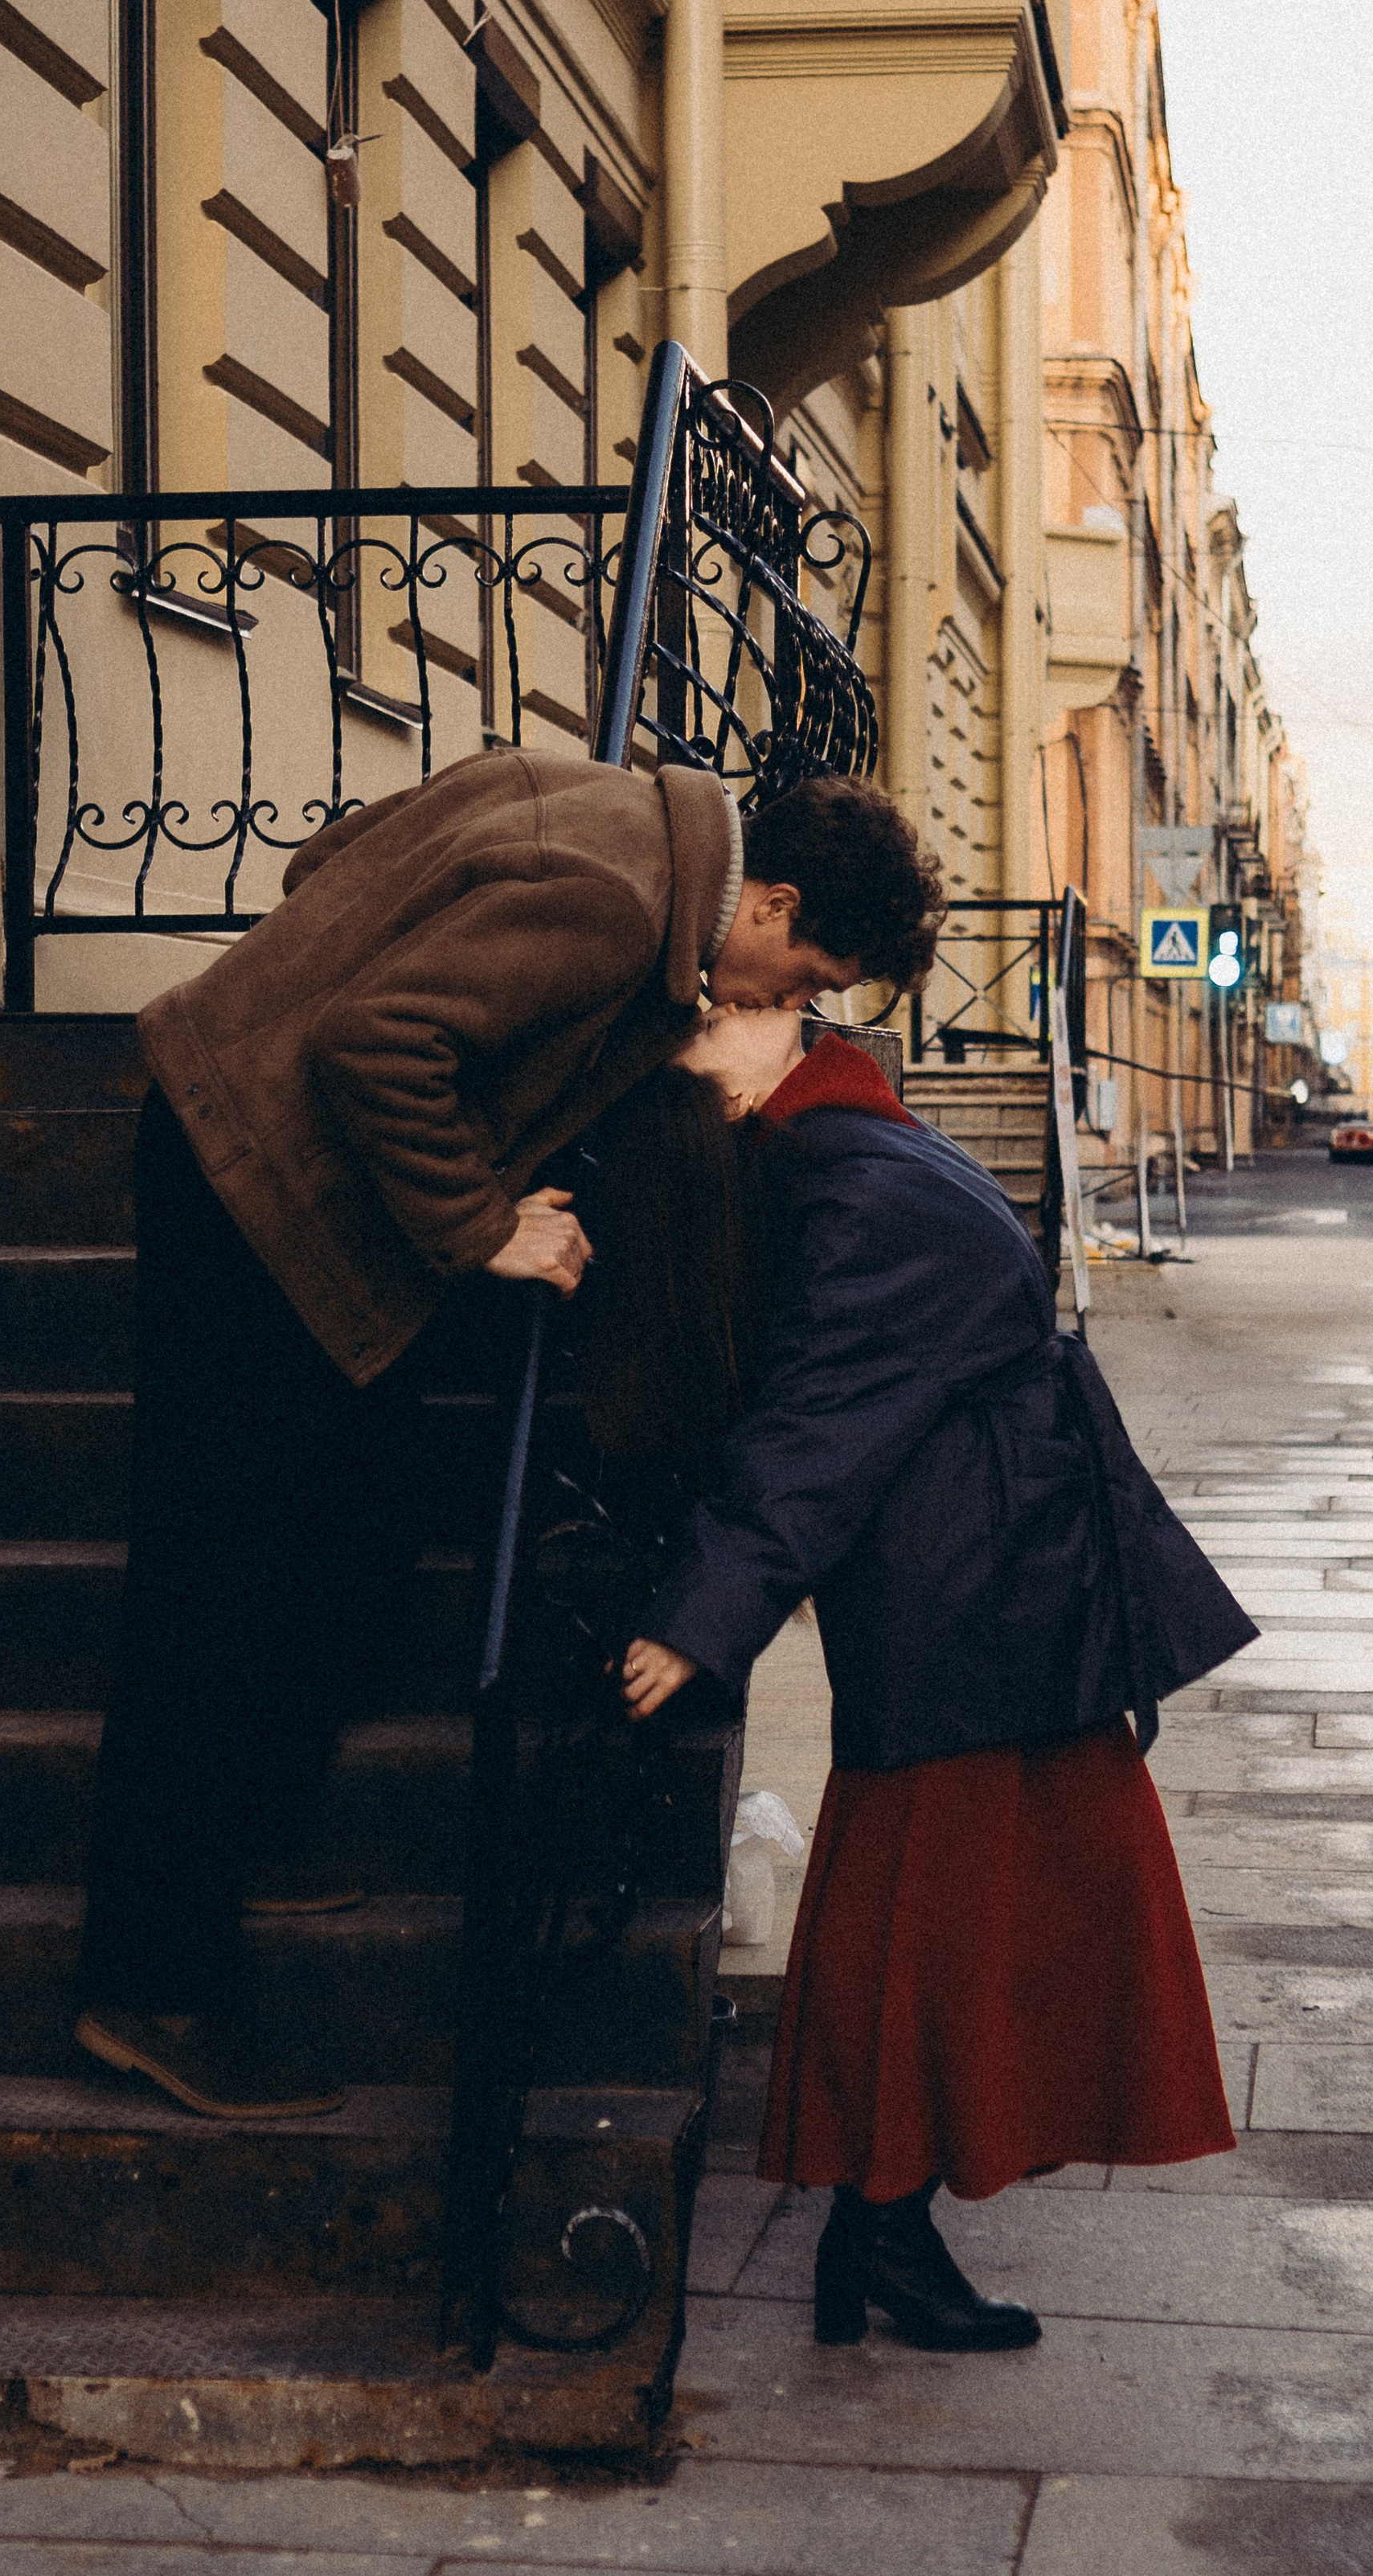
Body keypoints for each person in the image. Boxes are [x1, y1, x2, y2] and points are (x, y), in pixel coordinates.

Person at [74, 749, 945, 2119]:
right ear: (769, 905)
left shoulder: (592, 795)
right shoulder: (612, 906)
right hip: (250, 1187)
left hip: (237, 1144)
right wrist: (483, 1224)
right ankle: (152, 1982)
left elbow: (335, 862)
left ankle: (244, 1822)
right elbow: (379, 1042)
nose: (797, 1005)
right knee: (215, 1576)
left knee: (358, 1505)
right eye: (814, 978)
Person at [604, 1009, 1254, 2352]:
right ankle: (881, 2231)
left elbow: (823, 1420)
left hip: (986, 1584)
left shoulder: (849, 1169)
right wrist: (711, 1603)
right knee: (937, 1917)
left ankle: (881, 2228)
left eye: (719, 1012)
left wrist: (707, 1613)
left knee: (951, 1914)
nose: (709, 1017)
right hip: (984, 1582)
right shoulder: (845, 1150)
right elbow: (819, 1418)